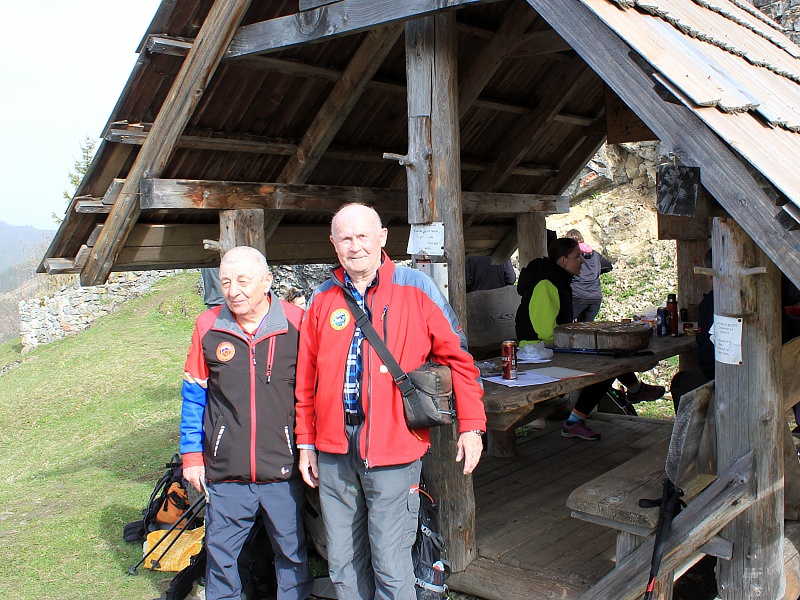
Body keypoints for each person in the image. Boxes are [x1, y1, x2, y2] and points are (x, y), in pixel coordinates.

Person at [295, 203, 486, 600]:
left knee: (390, 562)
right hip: (334, 450)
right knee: (343, 563)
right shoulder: (322, 297)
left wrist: (471, 427)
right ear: (334, 244)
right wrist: (306, 442)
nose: (355, 246)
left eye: (363, 236)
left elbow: (459, 360)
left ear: (382, 238)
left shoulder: (416, 288)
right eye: (346, 239)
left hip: (394, 447)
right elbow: (305, 379)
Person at [180, 246, 314, 600]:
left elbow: (309, 395)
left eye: (243, 281)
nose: (233, 291)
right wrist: (191, 455)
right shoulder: (207, 326)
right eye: (225, 282)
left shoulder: (297, 323)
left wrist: (307, 446)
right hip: (226, 471)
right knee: (222, 559)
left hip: (283, 469)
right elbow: (193, 395)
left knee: (292, 555)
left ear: (267, 281)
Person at [515, 237, 664, 441]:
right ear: (563, 260)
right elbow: (545, 332)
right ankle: (581, 419)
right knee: (604, 365)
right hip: (537, 353)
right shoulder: (545, 284)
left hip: (549, 348)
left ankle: (631, 391)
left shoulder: (557, 279)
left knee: (608, 358)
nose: (582, 262)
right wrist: (580, 339)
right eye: (577, 257)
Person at [564, 229, 613, 322]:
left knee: (567, 324)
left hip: (577, 296)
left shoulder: (571, 256)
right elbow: (608, 266)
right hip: (595, 297)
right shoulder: (595, 254)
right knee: (586, 327)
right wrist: (594, 273)